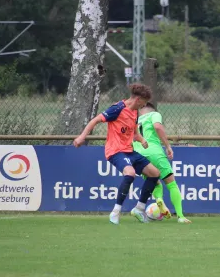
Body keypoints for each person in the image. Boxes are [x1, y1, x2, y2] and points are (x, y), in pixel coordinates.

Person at [73, 84, 160, 225]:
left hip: (129, 151)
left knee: (155, 173)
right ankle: (115, 212)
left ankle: (139, 208)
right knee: (130, 173)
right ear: (138, 99)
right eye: (144, 102)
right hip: (115, 151)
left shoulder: (135, 113)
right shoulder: (117, 109)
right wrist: (82, 137)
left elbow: (135, 133)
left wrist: (142, 140)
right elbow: (95, 120)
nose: (144, 105)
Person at [133, 102, 191, 224]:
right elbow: (158, 127)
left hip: (138, 154)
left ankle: (159, 199)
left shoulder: (135, 121)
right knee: (171, 184)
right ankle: (180, 216)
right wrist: (168, 146)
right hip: (154, 152)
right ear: (151, 109)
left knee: (154, 181)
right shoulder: (154, 114)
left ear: (141, 109)